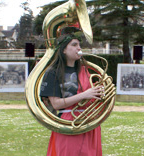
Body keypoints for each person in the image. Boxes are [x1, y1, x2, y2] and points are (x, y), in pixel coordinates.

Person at [40, 27, 104, 156]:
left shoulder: (84, 70)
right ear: (63, 49)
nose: (79, 48)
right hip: (68, 124)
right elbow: (56, 104)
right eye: (74, 45)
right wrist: (85, 95)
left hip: (90, 123)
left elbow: (91, 98)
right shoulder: (52, 73)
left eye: (79, 45)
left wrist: (98, 93)